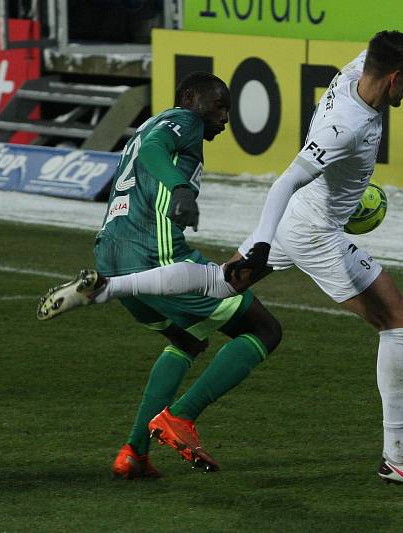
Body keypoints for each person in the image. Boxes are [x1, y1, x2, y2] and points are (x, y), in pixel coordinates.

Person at [39, 31, 403, 491]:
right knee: (399, 321)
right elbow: (284, 182)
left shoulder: (362, 68)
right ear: (394, 78)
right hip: (315, 230)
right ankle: (399, 454)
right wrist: (260, 240)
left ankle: (108, 290)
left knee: (221, 284)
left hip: (298, 220)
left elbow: (380, 60)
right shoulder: (344, 127)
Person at [38, 72, 282, 479]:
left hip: (110, 249)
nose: (225, 117)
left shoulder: (149, 124)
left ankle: (134, 453)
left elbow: (145, 151)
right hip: (154, 249)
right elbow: (155, 151)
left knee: (187, 338)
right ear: (190, 98)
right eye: (219, 105)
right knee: (264, 329)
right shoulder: (183, 120)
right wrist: (180, 188)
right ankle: (180, 417)